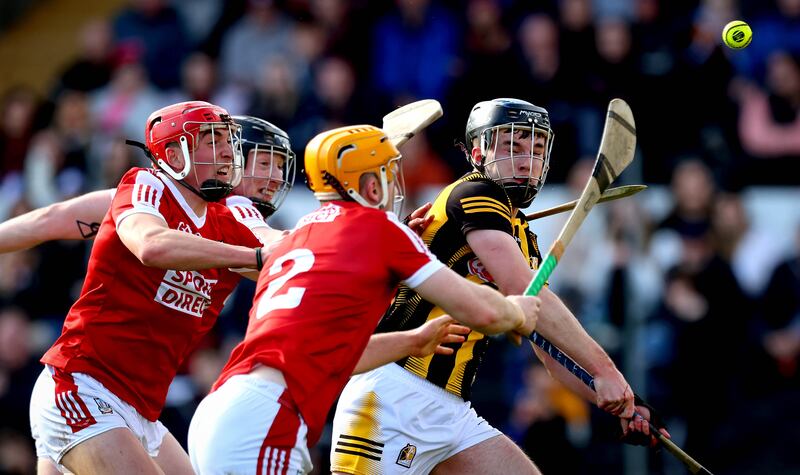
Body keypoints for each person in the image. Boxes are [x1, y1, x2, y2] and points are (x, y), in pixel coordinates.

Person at [7, 113, 468, 474]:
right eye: (260, 162)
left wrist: (378, 238)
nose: (271, 178)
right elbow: (51, 221)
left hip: (140, 409)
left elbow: (296, 259)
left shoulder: (242, 221)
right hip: (81, 382)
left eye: (279, 166)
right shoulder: (149, 196)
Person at [330, 98, 668, 475]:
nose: (526, 160)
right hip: (392, 396)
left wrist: (622, 402)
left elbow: (549, 350)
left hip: (450, 412)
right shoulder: (472, 193)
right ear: (478, 151)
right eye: (512, 146)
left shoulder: (523, 236)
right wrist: (607, 370)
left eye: (537, 149)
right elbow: (525, 290)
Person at [186, 124, 543, 475]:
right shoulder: (380, 232)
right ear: (371, 187)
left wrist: (413, 340)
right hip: (267, 417)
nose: (393, 187)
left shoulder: (301, 235)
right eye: (388, 176)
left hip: (224, 407)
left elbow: (334, 355)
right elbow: (478, 309)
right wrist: (517, 311)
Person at [27, 100, 270, 475]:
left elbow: (285, 251)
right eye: (210, 139)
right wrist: (251, 257)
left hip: (141, 412)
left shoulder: (230, 219)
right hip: (82, 387)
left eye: (227, 139)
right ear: (174, 155)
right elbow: (151, 245)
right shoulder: (145, 185)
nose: (225, 149)